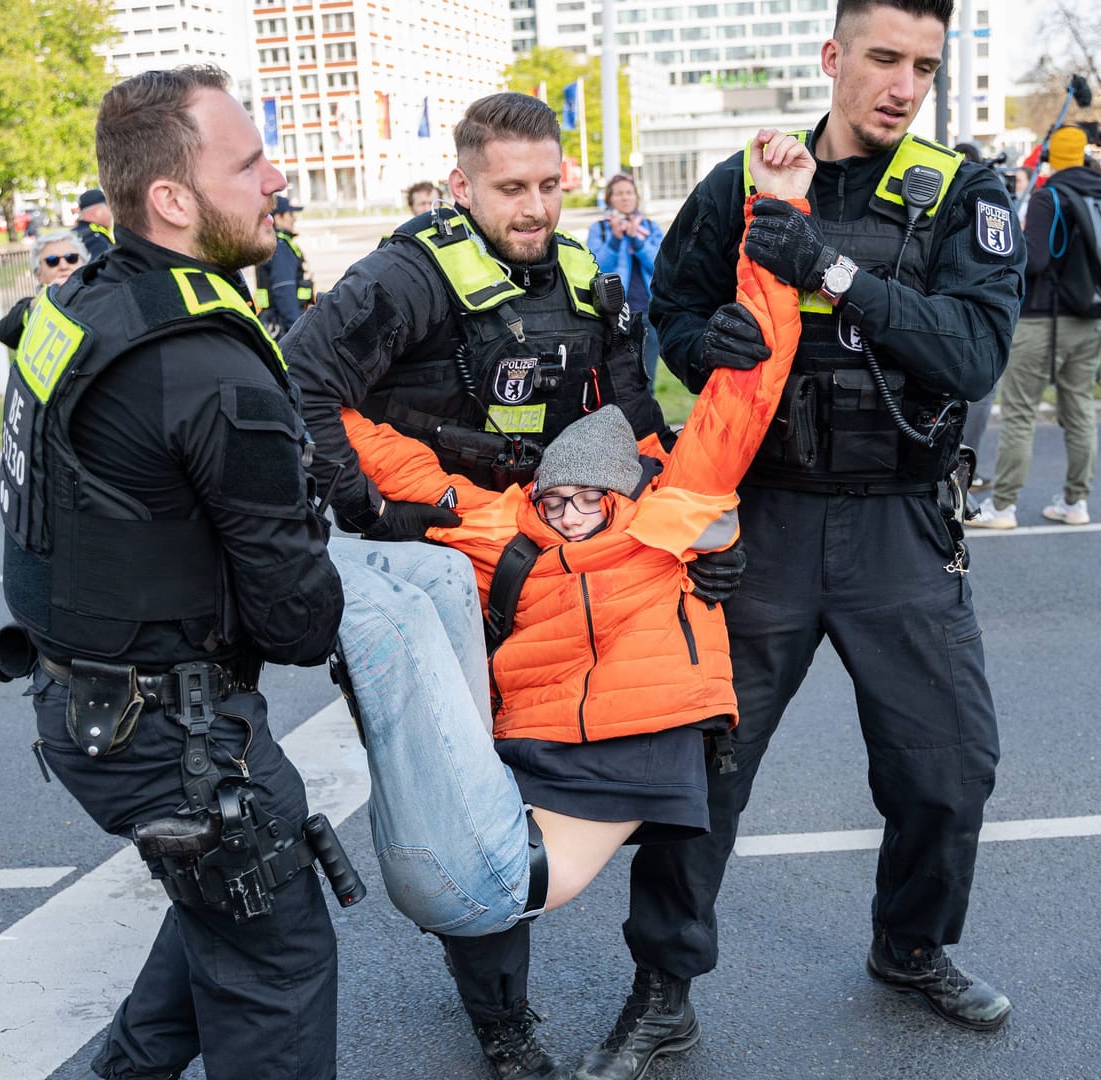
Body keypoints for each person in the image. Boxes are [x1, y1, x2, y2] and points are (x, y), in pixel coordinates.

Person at [614, 0, 1023, 1073]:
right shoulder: (749, 180)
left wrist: (832, 275)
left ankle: (911, 946)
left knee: (949, 769)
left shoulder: (961, 190)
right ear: (833, 56)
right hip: (768, 520)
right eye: (884, 58)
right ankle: (662, 988)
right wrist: (714, 344)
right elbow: (676, 305)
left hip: (900, 521)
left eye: (924, 65)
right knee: (705, 768)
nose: (903, 84)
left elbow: (976, 355)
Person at [283, 91, 683, 1080]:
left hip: (549, 565)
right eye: (512, 188)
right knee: (468, 794)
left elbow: (634, 417)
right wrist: (374, 517)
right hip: (438, 576)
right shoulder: (408, 276)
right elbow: (302, 375)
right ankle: (502, 1020)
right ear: (462, 186)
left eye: (551, 184)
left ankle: (661, 985)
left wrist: (688, 520)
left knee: (669, 740)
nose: (537, 207)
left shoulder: (589, 279)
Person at [0, 67, 345, 1079]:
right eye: (247, 162)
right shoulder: (209, 364)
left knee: (224, 922)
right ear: (171, 200)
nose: (275, 178)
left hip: (87, 704)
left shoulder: (86, 300)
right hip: (178, 735)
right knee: (277, 965)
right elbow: (297, 622)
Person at [971, 124, 1101, 531]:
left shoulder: (1050, 196)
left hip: (1042, 319)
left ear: (1053, 156)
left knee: (1019, 414)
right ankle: (1076, 502)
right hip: (1090, 318)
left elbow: (1034, 261)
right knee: (1080, 410)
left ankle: (1004, 507)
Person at [586, 174, 665, 380]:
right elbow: (596, 267)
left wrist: (637, 242)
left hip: (648, 313)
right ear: (610, 198)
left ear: (636, 197)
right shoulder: (600, 229)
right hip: (614, 315)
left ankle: (647, 413)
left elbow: (661, 265)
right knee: (615, 379)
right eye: (619, 193)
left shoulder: (649, 228)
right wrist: (615, 239)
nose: (625, 198)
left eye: (629, 193)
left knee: (647, 378)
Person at [0, 231, 84, 349]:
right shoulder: (32, 305)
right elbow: (4, 333)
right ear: (38, 273)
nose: (63, 266)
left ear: (84, 262)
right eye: (52, 260)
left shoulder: (100, 296)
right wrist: (38, 304)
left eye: (71, 258)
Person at [257, 193, 314, 334]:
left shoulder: (275, 244)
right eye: (290, 214)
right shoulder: (280, 247)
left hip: (273, 321)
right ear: (278, 218)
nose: (294, 219)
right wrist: (300, 332)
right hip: (282, 326)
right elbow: (284, 290)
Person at [72, 187, 115, 260]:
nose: (112, 212)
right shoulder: (95, 239)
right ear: (97, 211)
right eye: (109, 207)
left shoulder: (73, 234)